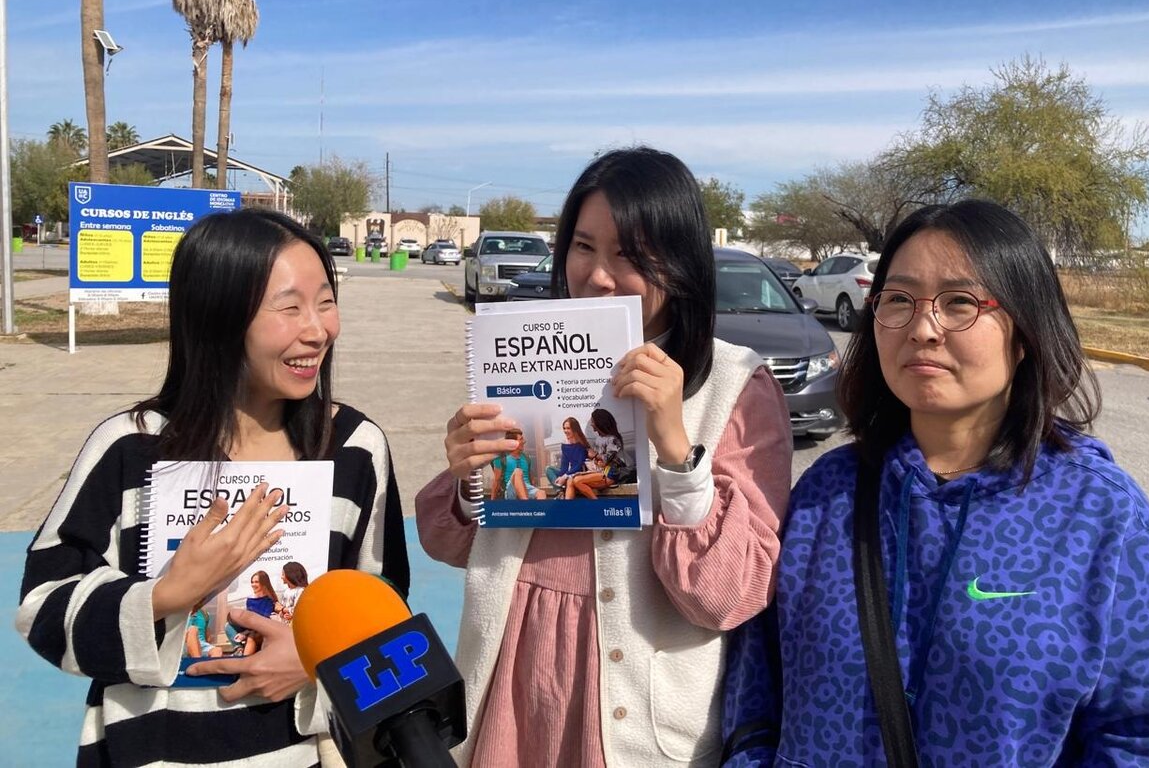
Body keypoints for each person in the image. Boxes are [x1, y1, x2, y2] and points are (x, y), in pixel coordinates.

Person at [721, 200, 1149, 766]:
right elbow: (756, 691)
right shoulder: (828, 492)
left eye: (960, 303)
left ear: (1025, 331)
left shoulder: (1102, 518)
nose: (923, 329)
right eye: (899, 300)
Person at [416, 146, 793, 767]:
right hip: (513, 678)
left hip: (637, 716)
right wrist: (467, 476)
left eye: (631, 256)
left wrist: (676, 448)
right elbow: (446, 543)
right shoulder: (526, 353)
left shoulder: (735, 385)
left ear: (681, 263)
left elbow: (727, 597)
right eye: (583, 247)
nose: (598, 276)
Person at [17, 209, 410, 767]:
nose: (318, 329)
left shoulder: (354, 448)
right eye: (290, 307)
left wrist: (317, 661)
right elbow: (42, 610)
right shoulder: (131, 447)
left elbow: (387, 612)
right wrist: (166, 595)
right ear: (217, 316)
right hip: (146, 751)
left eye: (326, 302)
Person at [565, 407, 628, 499]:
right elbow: (597, 459)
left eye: (593, 422)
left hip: (609, 474)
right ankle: (567, 506)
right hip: (599, 472)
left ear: (599, 423)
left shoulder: (613, 439)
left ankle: (597, 503)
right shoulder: (598, 439)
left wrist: (595, 455)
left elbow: (607, 458)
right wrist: (593, 459)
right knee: (571, 480)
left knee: (577, 480)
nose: (591, 424)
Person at [489, 428, 544, 500]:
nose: (524, 441)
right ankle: (526, 504)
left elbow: (531, 480)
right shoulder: (500, 458)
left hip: (527, 489)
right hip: (511, 491)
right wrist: (492, 502)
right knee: (518, 472)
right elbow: (497, 481)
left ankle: (532, 505)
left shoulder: (526, 458)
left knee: (541, 493)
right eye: (521, 439)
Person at [544, 417, 591, 493]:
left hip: (578, 473)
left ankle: (559, 490)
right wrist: (561, 477)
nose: (565, 431)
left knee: (568, 478)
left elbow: (579, 465)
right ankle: (559, 490)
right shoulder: (565, 445)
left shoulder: (581, 444)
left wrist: (565, 476)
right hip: (568, 473)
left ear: (575, 429)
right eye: (564, 428)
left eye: (568, 428)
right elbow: (564, 465)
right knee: (548, 469)